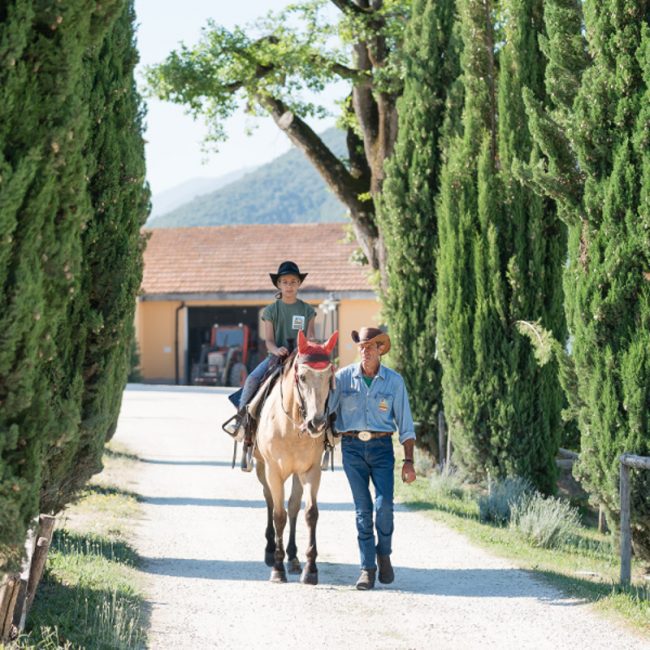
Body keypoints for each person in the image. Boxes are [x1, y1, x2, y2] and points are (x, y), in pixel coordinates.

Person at [328, 327, 416, 590]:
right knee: (363, 511)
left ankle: (384, 554)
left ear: (380, 349)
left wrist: (409, 461)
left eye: (371, 347)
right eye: (362, 347)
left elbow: (406, 424)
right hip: (352, 448)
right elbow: (326, 412)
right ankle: (367, 568)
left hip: (382, 449)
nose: (365, 351)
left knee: (384, 506)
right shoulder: (342, 378)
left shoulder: (394, 381)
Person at [223, 261, 316, 439]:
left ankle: (328, 425)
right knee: (252, 379)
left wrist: (307, 344)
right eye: (285, 282)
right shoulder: (270, 310)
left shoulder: (307, 310)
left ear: (299, 284)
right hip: (277, 357)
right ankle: (241, 421)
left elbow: (310, 335)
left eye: (293, 281)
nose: (289, 286)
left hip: (301, 357)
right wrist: (276, 350)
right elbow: (269, 341)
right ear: (279, 284)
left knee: (322, 380)